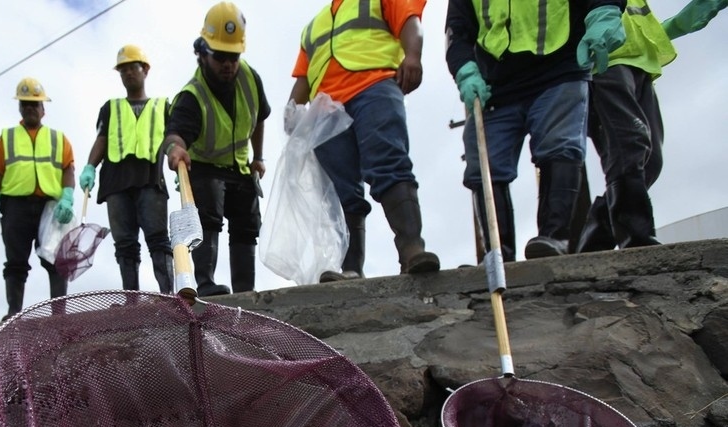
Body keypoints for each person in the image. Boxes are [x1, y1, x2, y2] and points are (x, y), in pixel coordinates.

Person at [446, 0, 627, 261]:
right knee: (484, 166)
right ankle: (498, 255)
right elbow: (457, 29)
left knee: (559, 147)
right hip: (494, 84)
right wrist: (464, 68)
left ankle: (554, 239)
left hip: (559, 69)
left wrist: (604, 10)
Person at [289, 0, 441, 282]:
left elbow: (410, 23)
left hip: (374, 87)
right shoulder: (313, 27)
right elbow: (303, 77)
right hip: (327, 111)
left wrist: (413, 56)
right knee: (340, 191)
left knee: (388, 164)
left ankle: (412, 249)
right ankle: (351, 268)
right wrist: (293, 110)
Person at [576, 0, 727, 252]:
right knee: (629, 148)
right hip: (603, 66)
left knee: (651, 161)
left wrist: (679, 24)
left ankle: (595, 239)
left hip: (641, 67)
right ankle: (635, 237)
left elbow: (639, 31)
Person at [162, 2, 270, 297]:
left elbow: (260, 116)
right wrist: (176, 150)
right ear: (203, 53)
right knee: (208, 215)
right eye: (220, 57)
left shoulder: (250, 78)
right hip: (205, 167)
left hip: (239, 165)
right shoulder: (192, 95)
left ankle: (245, 290)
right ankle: (206, 283)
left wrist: (258, 157)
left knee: (247, 223)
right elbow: (174, 135)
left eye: (233, 57)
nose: (228, 64)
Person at [78, 45, 173, 292]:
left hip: (150, 180)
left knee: (158, 240)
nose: (128, 73)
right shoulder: (110, 108)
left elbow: (173, 139)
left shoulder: (162, 106)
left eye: (133, 68)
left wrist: (180, 161)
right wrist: (90, 166)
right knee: (125, 245)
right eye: (123, 70)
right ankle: (131, 299)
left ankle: (169, 295)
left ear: (145, 70)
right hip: (116, 184)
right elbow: (101, 139)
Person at [0, 77, 76, 319]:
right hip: (15, 207)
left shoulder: (58, 138)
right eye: (25, 104)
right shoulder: (7, 137)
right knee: (15, 262)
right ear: (20, 108)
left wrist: (67, 197)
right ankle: (14, 313)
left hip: (49, 209)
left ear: (43, 109)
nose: (30, 108)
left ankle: (59, 314)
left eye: (35, 104)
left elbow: (68, 169)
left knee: (55, 259)